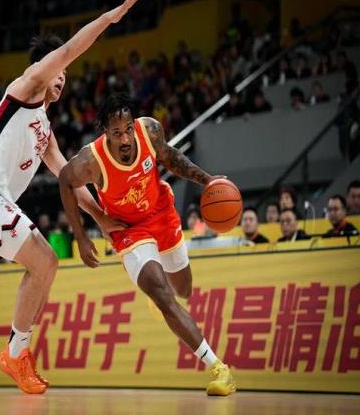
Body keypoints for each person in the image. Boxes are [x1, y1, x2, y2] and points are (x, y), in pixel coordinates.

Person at [0, 0, 139, 395]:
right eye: (59, 69)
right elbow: (69, 49)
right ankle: (14, 353)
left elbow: (68, 178)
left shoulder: (44, 129)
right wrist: (106, 19)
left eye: (65, 75)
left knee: (47, 264)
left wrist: (102, 219)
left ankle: (17, 352)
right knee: (44, 261)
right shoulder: (25, 87)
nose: (62, 77)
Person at [58, 93, 236, 396]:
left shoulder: (150, 131)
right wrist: (82, 235)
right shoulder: (91, 161)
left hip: (160, 211)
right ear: (106, 133)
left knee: (183, 290)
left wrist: (207, 180)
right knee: (162, 293)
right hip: (128, 228)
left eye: (128, 129)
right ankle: (219, 368)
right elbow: (64, 180)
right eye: (117, 133)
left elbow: (172, 158)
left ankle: (160, 294)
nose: (125, 138)